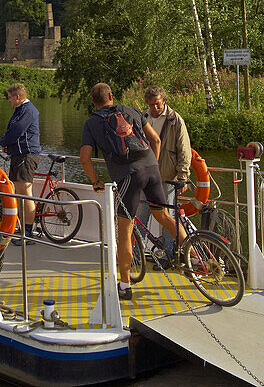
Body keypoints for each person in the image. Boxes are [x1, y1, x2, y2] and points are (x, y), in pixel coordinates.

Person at [80, 83, 187, 301]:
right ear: (111, 95)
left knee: (125, 232)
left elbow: (84, 158)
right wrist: (153, 166)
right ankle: (196, 254)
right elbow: (155, 140)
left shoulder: (91, 123)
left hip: (128, 176)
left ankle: (125, 285)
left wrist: (96, 181)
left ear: (94, 102)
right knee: (164, 216)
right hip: (152, 170)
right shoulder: (131, 110)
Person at [142, 85, 193, 255]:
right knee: (140, 213)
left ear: (164, 101)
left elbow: (184, 149)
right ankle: (136, 252)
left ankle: (170, 253)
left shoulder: (175, 120)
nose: (155, 108)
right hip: (145, 176)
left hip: (166, 176)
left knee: (168, 216)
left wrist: (183, 175)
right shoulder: (143, 118)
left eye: (158, 104)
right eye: (151, 105)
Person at [0, 83, 40, 244]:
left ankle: (28, 233)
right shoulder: (21, 110)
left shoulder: (27, 110)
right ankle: (23, 229)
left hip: (26, 155)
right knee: (19, 193)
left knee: (25, 193)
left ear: (17, 97)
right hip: (19, 155)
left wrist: (3, 142)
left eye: (9, 98)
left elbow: (17, 130)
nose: (9, 101)